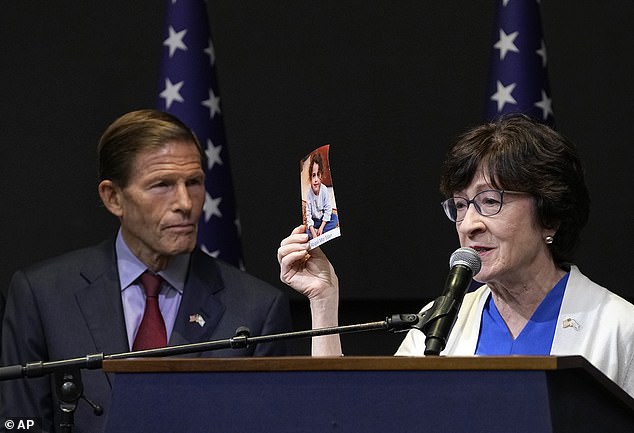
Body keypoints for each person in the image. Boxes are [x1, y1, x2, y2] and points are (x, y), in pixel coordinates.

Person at [278, 114, 634, 398]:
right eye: (461, 205)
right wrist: (323, 301)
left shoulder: (619, 326)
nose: (469, 224)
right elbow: (351, 420)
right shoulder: (437, 322)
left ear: (550, 214)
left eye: (490, 201)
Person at [0, 109, 292, 433]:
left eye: (193, 182)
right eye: (162, 185)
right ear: (113, 198)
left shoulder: (256, 311)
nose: (185, 202)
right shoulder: (42, 295)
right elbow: (19, 424)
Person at [305, 151, 338, 239]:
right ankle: (316, 232)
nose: (316, 179)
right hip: (315, 221)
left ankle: (320, 232)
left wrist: (322, 227)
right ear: (310, 177)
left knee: (335, 218)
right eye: (313, 175)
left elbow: (328, 209)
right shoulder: (309, 193)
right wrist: (312, 230)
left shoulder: (324, 190)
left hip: (323, 221)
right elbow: (308, 215)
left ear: (321, 175)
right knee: (307, 231)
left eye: (318, 175)